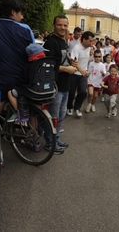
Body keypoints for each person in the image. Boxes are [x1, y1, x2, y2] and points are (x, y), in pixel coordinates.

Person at [0, 0, 35, 114]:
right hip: (23, 80)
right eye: (21, 13)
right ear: (13, 12)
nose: (22, 17)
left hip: (2, 80)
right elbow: (33, 52)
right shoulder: (26, 29)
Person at [43, 15, 78, 155]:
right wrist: (66, 69)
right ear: (53, 26)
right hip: (55, 86)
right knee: (53, 117)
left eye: (65, 25)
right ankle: (50, 144)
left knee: (61, 116)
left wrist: (71, 64)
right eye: (59, 25)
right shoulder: (51, 43)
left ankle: (56, 139)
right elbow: (47, 65)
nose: (63, 28)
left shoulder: (64, 42)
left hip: (65, 85)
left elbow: (62, 61)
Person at [67, 31, 94, 118]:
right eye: (90, 41)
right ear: (84, 40)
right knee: (71, 92)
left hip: (83, 74)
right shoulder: (76, 47)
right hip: (74, 73)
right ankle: (69, 107)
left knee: (83, 92)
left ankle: (77, 108)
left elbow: (87, 60)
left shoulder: (89, 48)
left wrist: (91, 58)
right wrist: (81, 70)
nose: (92, 43)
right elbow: (74, 62)